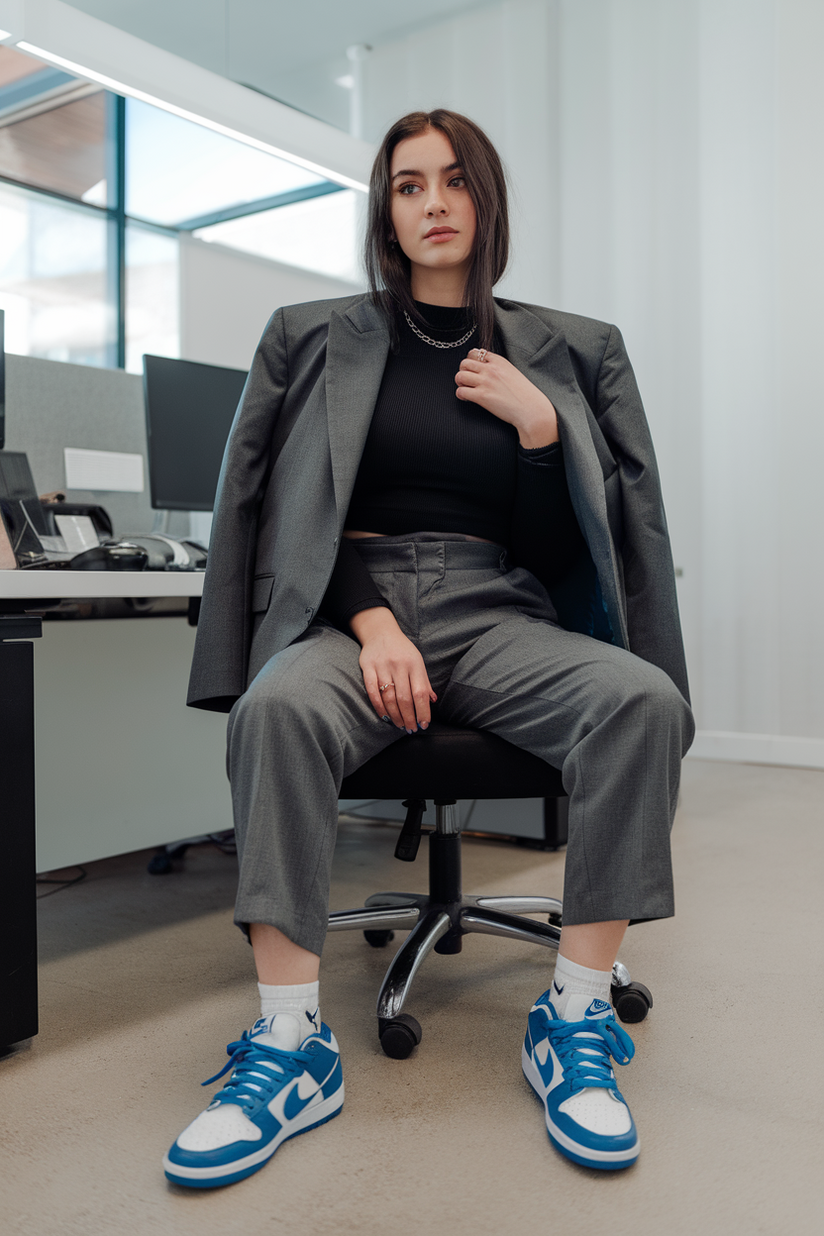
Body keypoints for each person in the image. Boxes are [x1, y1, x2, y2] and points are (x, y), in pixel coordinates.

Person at [163, 109, 694, 1187]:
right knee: (279, 710)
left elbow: (569, 554)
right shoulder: (313, 334)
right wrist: (371, 621)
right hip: (352, 606)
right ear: (384, 209)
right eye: (407, 185)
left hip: (500, 607)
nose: (432, 202)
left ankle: (573, 1022)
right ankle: (288, 1044)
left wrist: (542, 435)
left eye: (453, 181)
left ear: (485, 200)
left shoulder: (567, 351)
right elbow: (290, 516)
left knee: (639, 703)